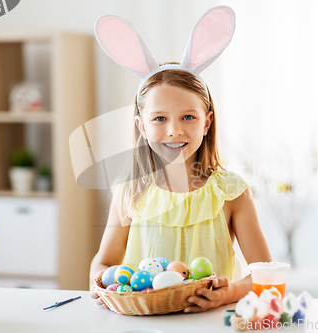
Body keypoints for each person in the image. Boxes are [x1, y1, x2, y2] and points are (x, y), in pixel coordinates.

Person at [90, 6, 272, 313]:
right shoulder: (129, 191)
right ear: (142, 126)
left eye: (188, 116)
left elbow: (265, 274)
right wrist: (100, 282)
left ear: (207, 122)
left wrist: (228, 294)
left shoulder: (231, 192)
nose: (174, 131)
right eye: (159, 118)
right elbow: (104, 262)